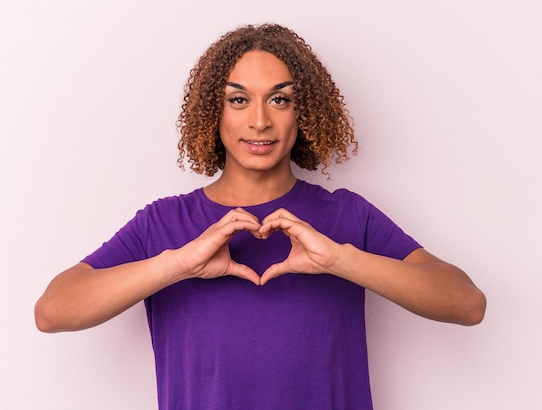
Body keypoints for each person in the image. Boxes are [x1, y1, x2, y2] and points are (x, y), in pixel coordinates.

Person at [35, 23, 486, 409]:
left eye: (279, 99)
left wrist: (339, 261)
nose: (259, 122)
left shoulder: (347, 214)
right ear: (214, 111)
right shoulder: (164, 224)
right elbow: (53, 311)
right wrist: (178, 265)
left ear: (303, 112)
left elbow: (466, 304)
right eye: (238, 100)